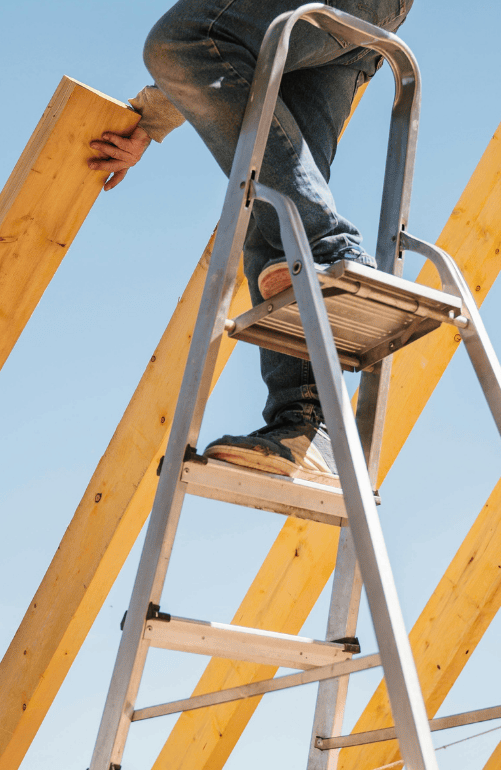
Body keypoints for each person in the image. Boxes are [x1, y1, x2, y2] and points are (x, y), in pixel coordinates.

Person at [89, 0, 411, 484]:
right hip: (355, 28)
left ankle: (332, 249)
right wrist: (150, 122)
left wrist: (154, 115)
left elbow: (200, 37)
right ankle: (305, 430)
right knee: (274, 201)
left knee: (181, 39)